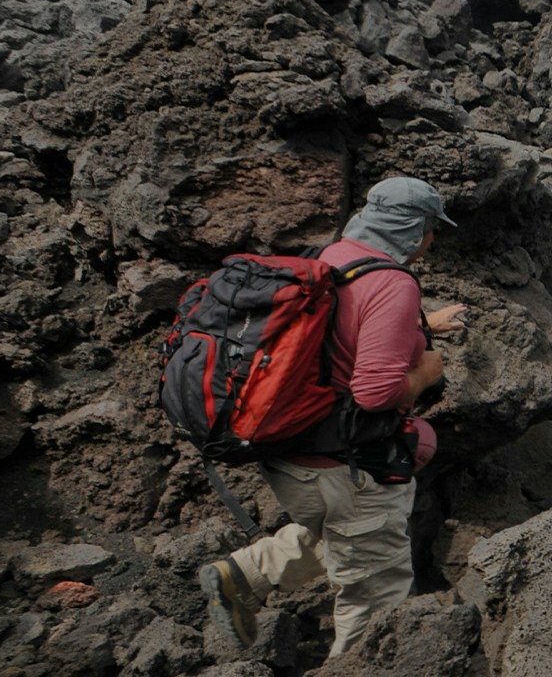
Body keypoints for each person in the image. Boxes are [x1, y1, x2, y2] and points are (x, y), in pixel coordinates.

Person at [200, 177, 468, 656]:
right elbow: (374, 390)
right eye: (432, 229)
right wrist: (426, 373)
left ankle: (243, 575)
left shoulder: (333, 257)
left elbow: (340, 336)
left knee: (347, 534)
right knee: (375, 603)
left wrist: (425, 324)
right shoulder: (393, 282)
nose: (433, 240)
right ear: (414, 229)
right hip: (343, 467)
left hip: (293, 455)